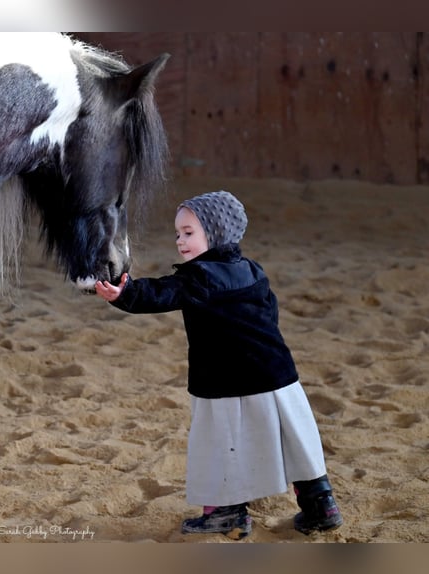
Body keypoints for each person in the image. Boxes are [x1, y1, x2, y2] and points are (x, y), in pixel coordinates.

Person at [95, 190, 343, 540]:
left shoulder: (199, 277)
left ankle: (226, 514)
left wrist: (125, 294)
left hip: (224, 382)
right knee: (295, 439)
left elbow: (162, 293)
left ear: (217, 232)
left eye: (189, 232)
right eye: (178, 233)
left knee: (219, 443)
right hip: (277, 374)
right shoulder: (253, 270)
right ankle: (321, 505)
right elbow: (270, 312)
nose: (180, 240)